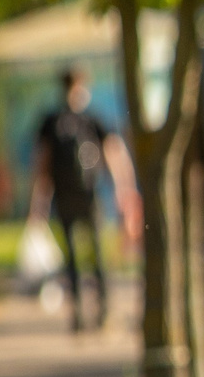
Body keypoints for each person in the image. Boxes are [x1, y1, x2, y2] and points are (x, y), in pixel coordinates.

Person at [30, 68, 139, 333]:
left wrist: (38, 203)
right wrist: (123, 189)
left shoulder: (51, 121)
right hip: (89, 195)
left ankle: (78, 312)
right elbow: (114, 153)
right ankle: (102, 310)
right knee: (96, 254)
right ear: (82, 86)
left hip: (63, 196)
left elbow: (41, 165)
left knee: (72, 256)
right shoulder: (92, 118)